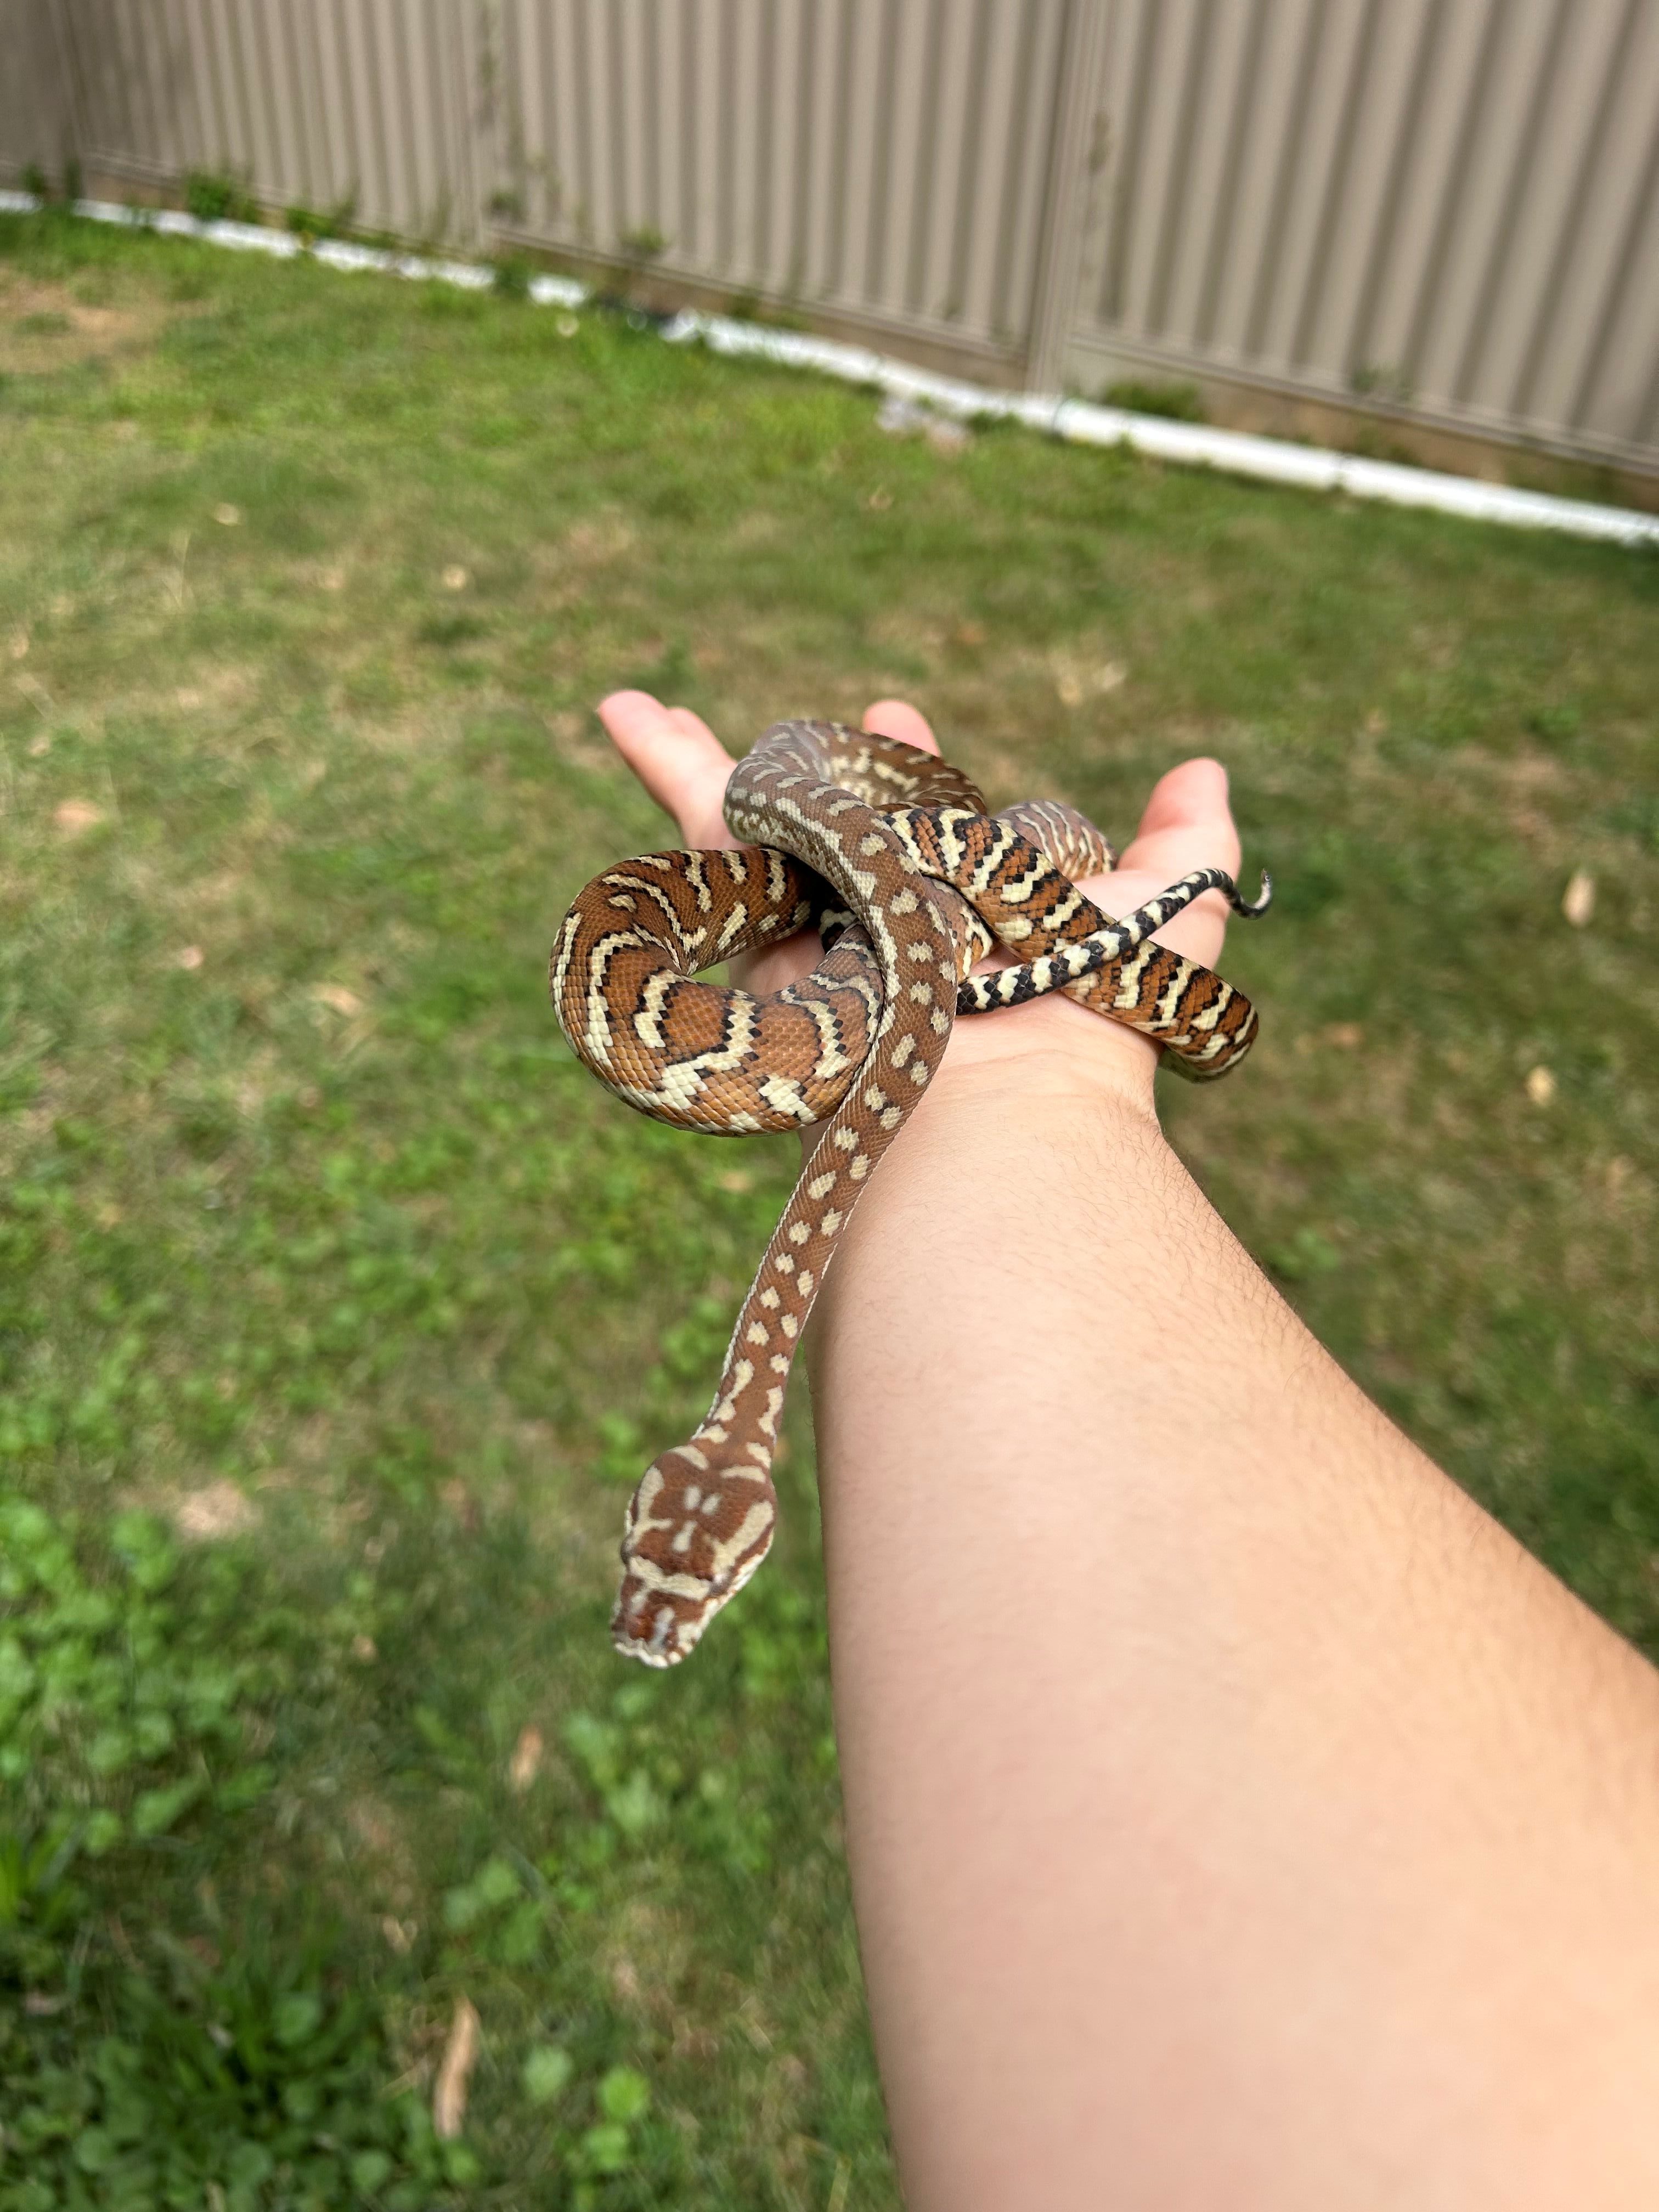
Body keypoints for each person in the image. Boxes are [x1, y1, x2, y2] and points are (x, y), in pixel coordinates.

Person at [596, 689, 1659, 2211]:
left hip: (899, 877)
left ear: (711, 1510)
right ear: (706, 1515)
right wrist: (1005, 1005)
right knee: (882, 827)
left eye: (672, 1576)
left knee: (931, 832)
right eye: (674, 1578)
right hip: (887, 884)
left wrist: (975, 934)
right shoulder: (863, 915)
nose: (669, 1598)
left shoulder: (896, 918)